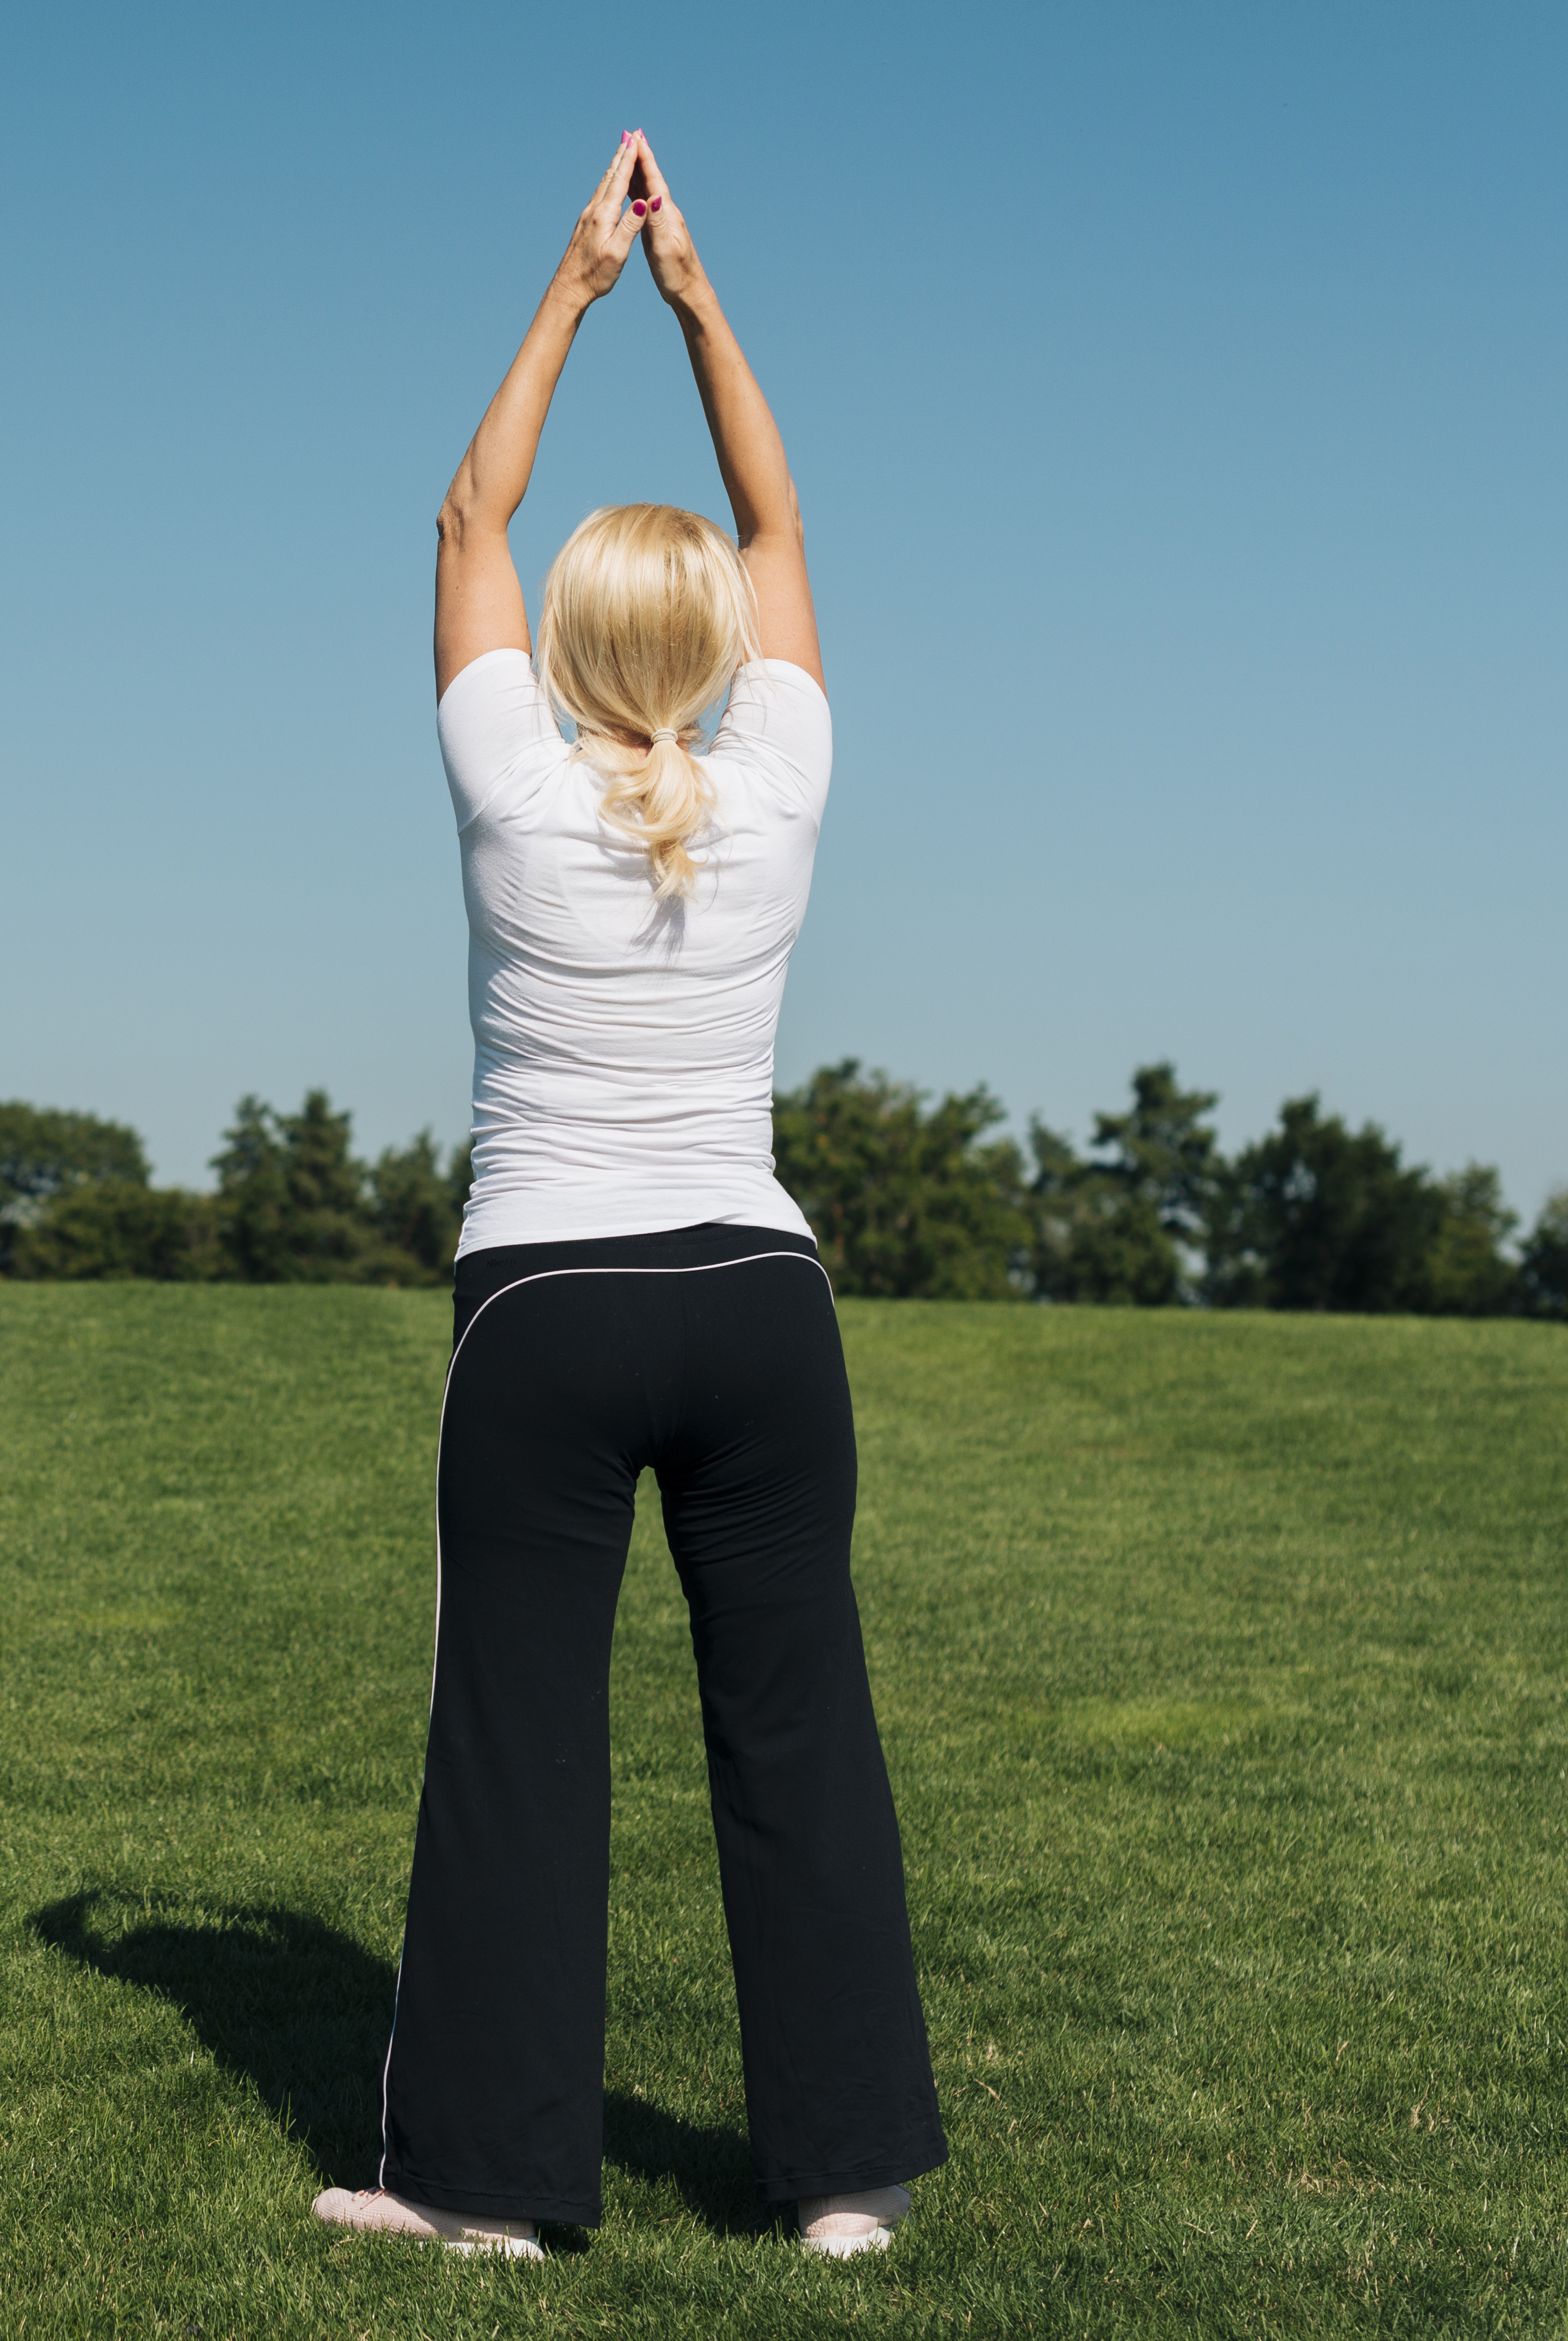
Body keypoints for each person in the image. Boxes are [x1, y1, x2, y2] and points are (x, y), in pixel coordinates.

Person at [313, 132, 944, 2262]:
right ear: (728, 651)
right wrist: (697, 301)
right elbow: (775, 513)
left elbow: (465, 510)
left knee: (520, 1742)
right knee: (800, 1729)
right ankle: (842, 2185)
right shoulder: (775, 782)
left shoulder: (506, 774)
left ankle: (491, 2193)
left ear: (573, 644)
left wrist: (573, 286)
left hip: (548, 1312)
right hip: (762, 1306)